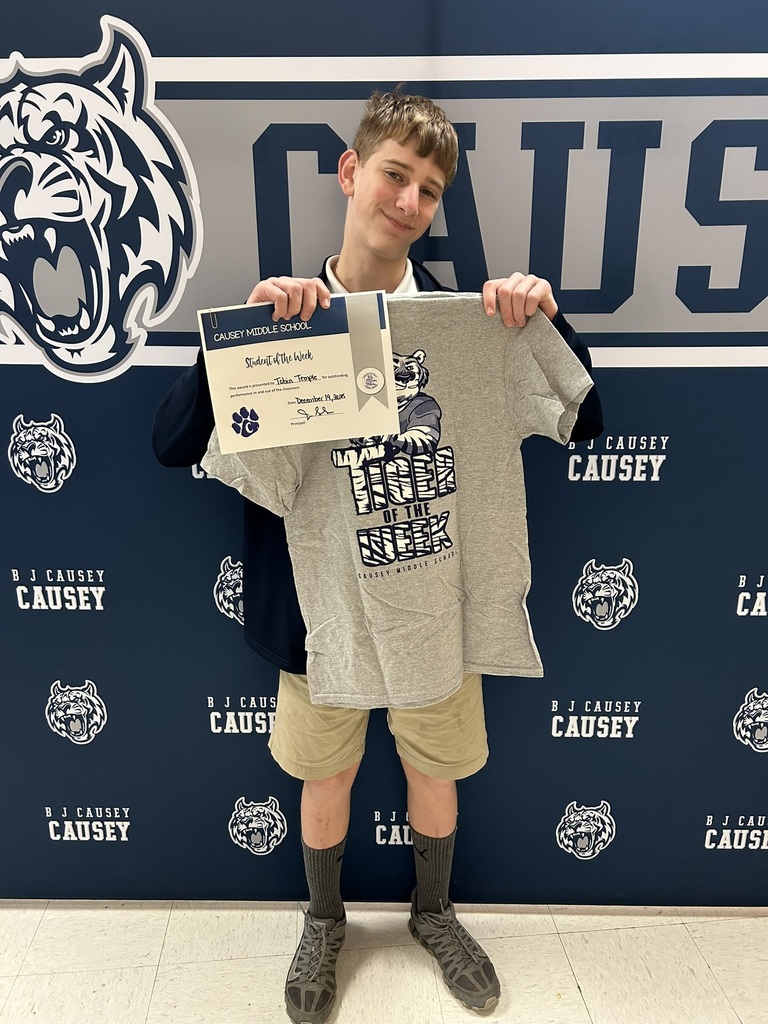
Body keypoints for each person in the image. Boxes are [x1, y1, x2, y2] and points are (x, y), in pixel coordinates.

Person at [154, 90, 603, 1024]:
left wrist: (544, 320)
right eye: (396, 175)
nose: (409, 201)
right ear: (352, 174)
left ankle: (433, 911)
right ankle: (324, 920)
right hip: (317, 610)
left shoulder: (469, 322)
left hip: (436, 595)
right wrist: (240, 342)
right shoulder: (287, 320)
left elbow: (583, 414)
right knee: (327, 774)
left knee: (434, 769)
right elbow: (173, 443)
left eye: (430, 190)